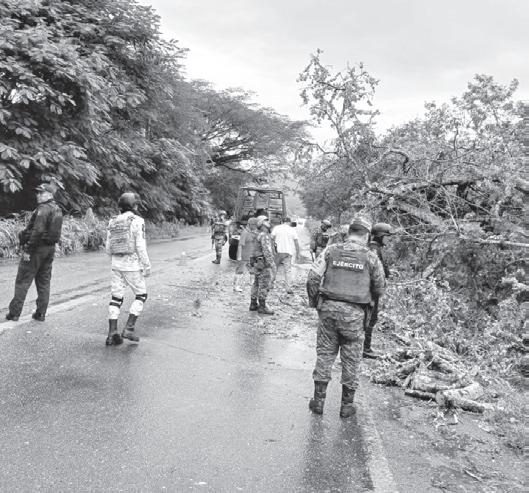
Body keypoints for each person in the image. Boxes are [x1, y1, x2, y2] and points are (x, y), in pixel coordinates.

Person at [306, 216, 386, 418]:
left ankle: (318, 402)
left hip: (328, 311)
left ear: (349, 232)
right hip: (355, 316)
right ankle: (346, 406)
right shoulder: (371, 257)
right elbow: (379, 288)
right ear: (366, 236)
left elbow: (313, 277)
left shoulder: (330, 251)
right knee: (351, 361)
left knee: (325, 355)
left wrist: (314, 302)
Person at [5, 183, 63, 322]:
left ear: (50, 195)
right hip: (49, 249)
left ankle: (14, 313)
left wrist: (28, 250)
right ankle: (40, 313)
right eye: (37, 193)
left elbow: (38, 231)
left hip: (37, 249)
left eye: (41, 193)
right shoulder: (57, 209)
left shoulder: (43, 209)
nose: (38, 195)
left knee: (23, 281)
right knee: (44, 282)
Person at [105, 192, 151, 346]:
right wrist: (147, 266)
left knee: (116, 298)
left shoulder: (112, 221)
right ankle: (129, 328)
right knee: (141, 295)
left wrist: (115, 261)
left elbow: (108, 247)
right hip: (132, 266)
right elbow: (140, 247)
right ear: (135, 206)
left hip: (116, 265)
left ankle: (112, 334)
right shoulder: (138, 221)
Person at [363, 222, 396, 358]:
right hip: (371, 290)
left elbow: (380, 267)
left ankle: (365, 346)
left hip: (371, 288)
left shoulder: (375, 248)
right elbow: (375, 270)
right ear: (380, 236)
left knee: (371, 317)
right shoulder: (374, 249)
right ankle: (365, 348)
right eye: (387, 236)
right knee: (371, 318)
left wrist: (389, 272)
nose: (389, 239)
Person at [249, 215, 276, 315]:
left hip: (257, 263)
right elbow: (267, 251)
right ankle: (262, 307)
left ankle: (253, 304)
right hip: (263, 264)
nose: (269, 222)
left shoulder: (257, 234)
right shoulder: (264, 235)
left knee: (256, 283)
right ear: (262, 223)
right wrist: (272, 265)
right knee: (264, 285)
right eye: (266, 220)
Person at [271, 216, 300, 294]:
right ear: (289, 222)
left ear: (282, 222)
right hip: (288, 253)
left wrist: (272, 249)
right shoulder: (292, 230)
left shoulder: (276, 228)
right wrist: (298, 253)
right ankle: (288, 288)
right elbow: (296, 243)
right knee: (287, 271)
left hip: (278, 252)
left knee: (274, 269)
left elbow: (271, 238)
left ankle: (270, 284)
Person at [233, 217, 258, 292]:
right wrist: (239, 256)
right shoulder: (245, 233)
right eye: (255, 225)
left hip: (250, 256)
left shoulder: (252, 232)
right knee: (240, 271)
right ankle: (236, 286)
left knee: (252, 270)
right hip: (243, 256)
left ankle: (252, 283)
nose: (256, 227)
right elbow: (240, 245)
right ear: (250, 224)